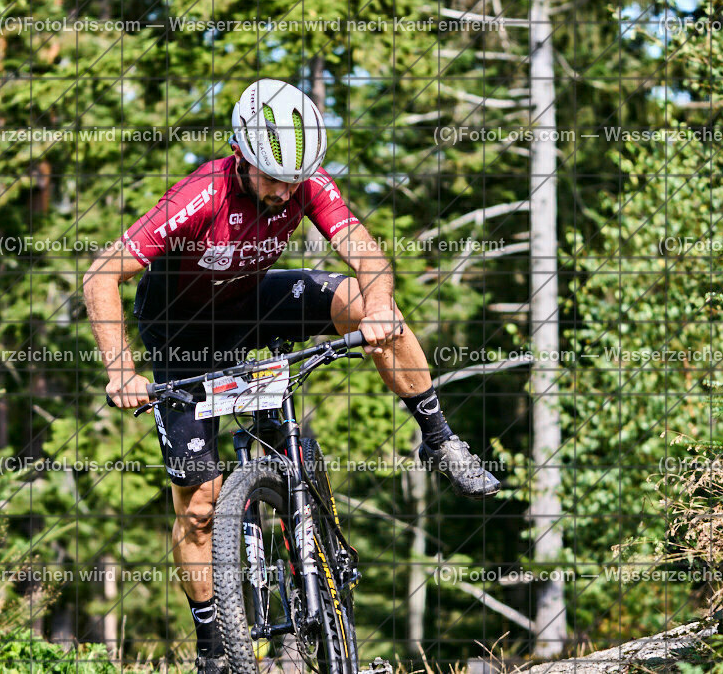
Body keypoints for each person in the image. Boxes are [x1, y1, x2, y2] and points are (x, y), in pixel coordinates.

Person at [83, 78, 499, 673]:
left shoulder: (306, 183)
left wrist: (379, 307)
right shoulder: (199, 196)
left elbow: (369, 256)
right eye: (271, 176)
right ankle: (212, 647)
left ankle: (440, 439)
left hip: (252, 302)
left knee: (366, 300)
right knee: (198, 509)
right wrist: (121, 370)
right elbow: (101, 275)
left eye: (293, 179)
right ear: (243, 155)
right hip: (181, 333)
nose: (283, 191)